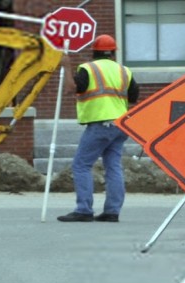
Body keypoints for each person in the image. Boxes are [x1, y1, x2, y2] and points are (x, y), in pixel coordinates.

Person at [58, 34, 140, 223]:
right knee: (113, 166)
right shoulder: (124, 71)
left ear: (93, 51)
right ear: (113, 53)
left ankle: (84, 209)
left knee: (81, 164)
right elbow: (134, 99)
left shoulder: (88, 69)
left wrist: (66, 65)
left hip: (99, 123)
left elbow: (71, 88)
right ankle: (112, 211)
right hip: (120, 125)